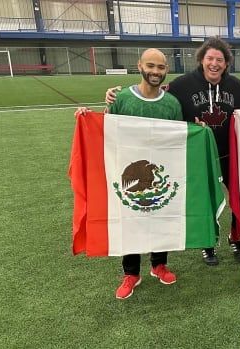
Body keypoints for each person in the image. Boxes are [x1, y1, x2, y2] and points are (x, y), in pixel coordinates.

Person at [106, 37, 240, 266]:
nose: (214, 64)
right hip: (199, 157)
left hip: (229, 157)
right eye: (210, 58)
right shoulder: (181, 85)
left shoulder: (236, 86)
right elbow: (154, 93)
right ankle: (208, 245)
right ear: (202, 60)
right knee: (204, 202)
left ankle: (237, 237)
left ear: (226, 63)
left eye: (220, 60)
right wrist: (112, 96)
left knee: (239, 199)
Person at [77, 48, 183, 299]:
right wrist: (86, 117)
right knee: (130, 219)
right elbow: (106, 130)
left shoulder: (172, 104)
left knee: (160, 216)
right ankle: (131, 273)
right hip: (127, 172)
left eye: (160, 67)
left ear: (166, 70)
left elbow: (180, 139)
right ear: (140, 66)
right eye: (151, 66)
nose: (155, 72)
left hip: (160, 173)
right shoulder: (123, 98)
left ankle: (159, 265)